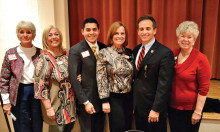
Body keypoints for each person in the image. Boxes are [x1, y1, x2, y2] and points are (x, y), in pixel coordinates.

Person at [133, 15, 175, 132]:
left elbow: (164, 85)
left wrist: (156, 109)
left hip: (153, 110)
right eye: (141, 29)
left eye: (148, 28)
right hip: (138, 107)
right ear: (137, 32)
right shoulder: (136, 50)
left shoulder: (165, 53)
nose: (144, 32)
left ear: (155, 30)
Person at [168, 21, 211, 132]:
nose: (185, 40)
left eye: (189, 37)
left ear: (194, 40)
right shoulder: (172, 54)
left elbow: (204, 89)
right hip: (172, 108)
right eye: (182, 36)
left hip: (190, 111)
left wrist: (198, 112)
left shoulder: (201, 59)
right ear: (178, 38)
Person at [0, 21, 43, 132]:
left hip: (37, 93)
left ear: (33, 35)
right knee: (21, 125)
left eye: (28, 32)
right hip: (18, 93)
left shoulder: (41, 53)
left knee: (37, 124)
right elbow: (4, 79)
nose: (25, 35)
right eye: (21, 32)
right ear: (18, 35)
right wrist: (6, 102)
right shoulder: (10, 53)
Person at [34, 25, 76, 132]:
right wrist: (48, 108)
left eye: (56, 34)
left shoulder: (67, 53)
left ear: (60, 37)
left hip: (70, 103)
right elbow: (40, 86)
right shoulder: (44, 58)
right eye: (50, 35)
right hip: (55, 105)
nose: (54, 37)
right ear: (45, 39)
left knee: (69, 129)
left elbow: (74, 71)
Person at [68, 18, 106, 132]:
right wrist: (85, 102)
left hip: (102, 101)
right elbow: (74, 79)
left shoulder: (104, 48)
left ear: (99, 31)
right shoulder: (76, 50)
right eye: (88, 30)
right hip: (87, 102)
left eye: (94, 29)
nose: (91, 32)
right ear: (82, 32)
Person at [96, 22, 133, 132]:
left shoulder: (130, 52)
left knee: (128, 127)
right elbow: (101, 78)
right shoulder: (104, 53)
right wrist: (104, 100)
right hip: (113, 98)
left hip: (129, 97)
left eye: (122, 33)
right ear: (111, 35)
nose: (119, 36)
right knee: (118, 127)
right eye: (116, 33)